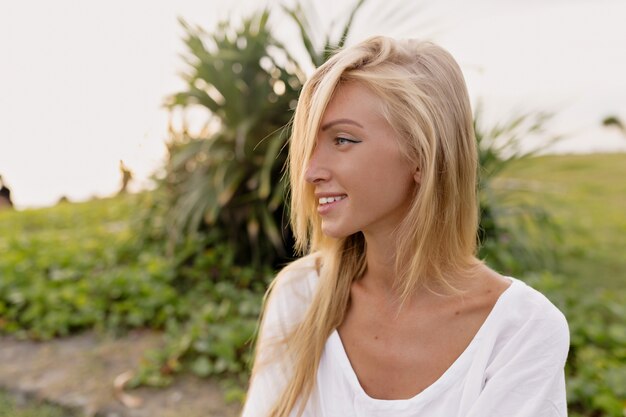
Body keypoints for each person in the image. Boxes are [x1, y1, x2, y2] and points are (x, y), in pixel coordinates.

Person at [242, 36, 569, 417]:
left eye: (342, 139)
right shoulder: (300, 296)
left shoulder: (520, 331)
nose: (310, 171)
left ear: (421, 154)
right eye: (310, 145)